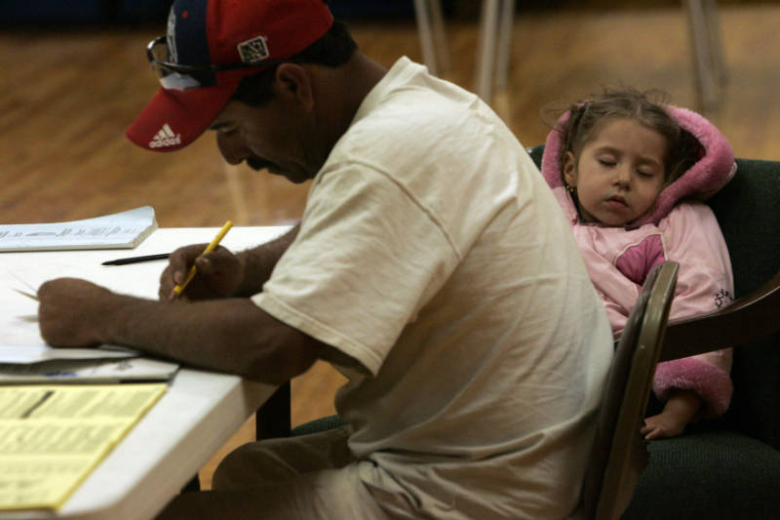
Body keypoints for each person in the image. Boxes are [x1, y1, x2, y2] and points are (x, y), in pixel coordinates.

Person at [36, 0, 614, 518]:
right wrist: (247, 270)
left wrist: (101, 316)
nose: (232, 155)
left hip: (475, 496)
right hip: (534, 457)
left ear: (292, 84)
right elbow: (360, 231)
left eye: (230, 128)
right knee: (247, 470)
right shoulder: (428, 105)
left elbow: (276, 345)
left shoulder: (385, 157)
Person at [539, 88, 736, 440]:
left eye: (645, 172)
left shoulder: (680, 224)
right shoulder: (541, 215)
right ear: (570, 168)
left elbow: (701, 299)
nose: (623, 179)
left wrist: (680, 406)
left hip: (633, 382)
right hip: (542, 377)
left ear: (666, 182)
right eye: (608, 162)